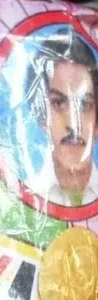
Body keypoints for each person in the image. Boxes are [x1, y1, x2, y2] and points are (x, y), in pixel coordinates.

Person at [25, 31, 98, 206]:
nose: (73, 124)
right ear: (41, 115)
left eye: (84, 104)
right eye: (58, 103)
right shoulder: (24, 199)